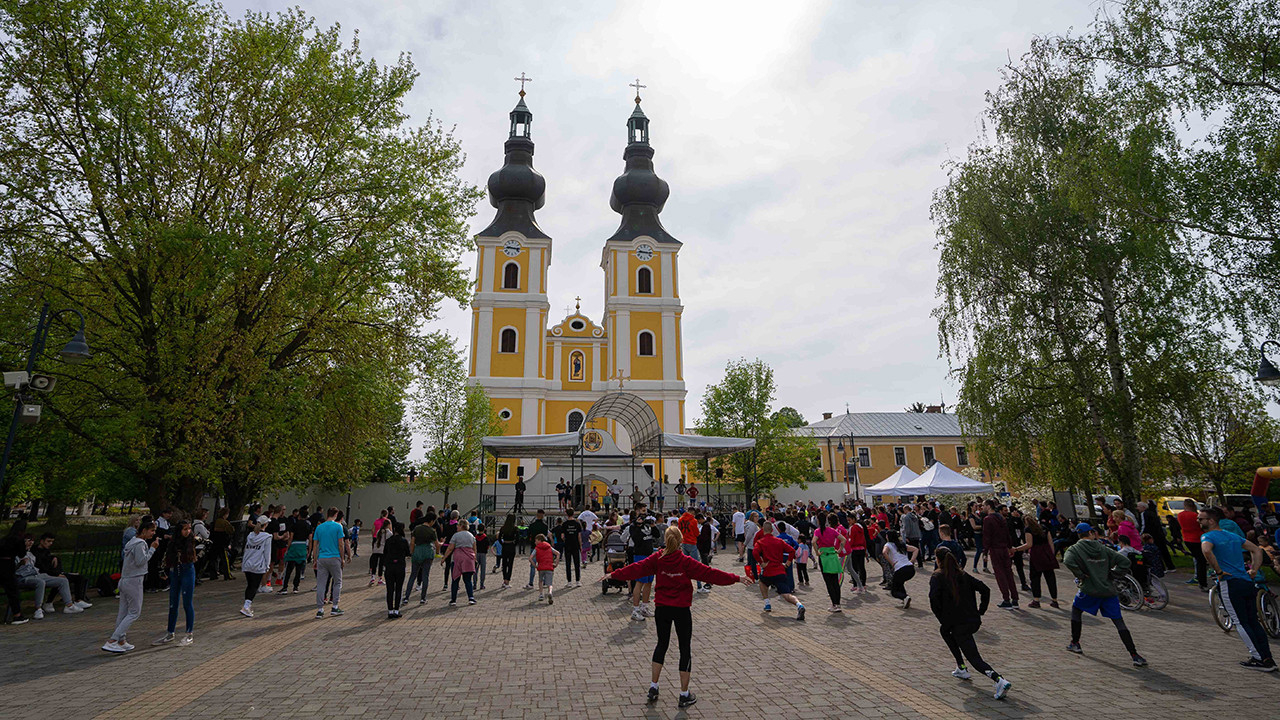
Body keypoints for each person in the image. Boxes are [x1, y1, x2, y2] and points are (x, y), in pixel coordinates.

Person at [605, 525, 753, 709]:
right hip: (681, 609)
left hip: (662, 608)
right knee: (684, 648)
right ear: (681, 540)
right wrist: (736, 578)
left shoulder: (658, 558)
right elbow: (710, 574)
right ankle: (684, 694)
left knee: (661, 645)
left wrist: (614, 574)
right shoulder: (685, 561)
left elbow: (637, 569)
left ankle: (653, 687)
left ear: (665, 540)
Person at [929, 546, 1011, 699]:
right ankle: (961, 666)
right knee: (944, 631)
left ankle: (999, 680)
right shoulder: (963, 574)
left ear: (938, 560)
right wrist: (981, 610)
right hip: (972, 621)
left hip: (958, 624)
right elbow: (985, 589)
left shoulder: (937, 577)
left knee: (974, 658)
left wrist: (943, 617)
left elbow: (934, 600)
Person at [1200, 508, 1275, 671]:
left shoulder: (1208, 536)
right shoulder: (1232, 536)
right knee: (1253, 621)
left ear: (1211, 521)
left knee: (1241, 622)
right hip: (1246, 582)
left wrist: (1218, 571)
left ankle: (1258, 658)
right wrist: (1254, 570)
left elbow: (1206, 550)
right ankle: (1267, 657)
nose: (1198, 521)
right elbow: (1256, 549)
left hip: (1229, 582)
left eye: (1201, 519)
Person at [1062, 523, 1147, 666]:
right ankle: (1135, 655)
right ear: (1091, 533)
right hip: (1108, 591)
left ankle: (1075, 643)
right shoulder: (1103, 548)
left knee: (1076, 610)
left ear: (1078, 535)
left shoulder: (1075, 549)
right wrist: (1114, 574)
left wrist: (1080, 575)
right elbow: (1124, 561)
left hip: (1089, 589)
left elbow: (1067, 561)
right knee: (1118, 621)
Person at [103, 520, 158, 653]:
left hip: (125, 579)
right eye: (152, 530)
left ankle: (121, 640)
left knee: (123, 612)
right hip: (134, 580)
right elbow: (141, 561)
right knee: (134, 612)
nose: (153, 533)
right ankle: (113, 640)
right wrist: (152, 549)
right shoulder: (140, 543)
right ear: (144, 530)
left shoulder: (131, 542)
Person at [153, 520, 197, 645]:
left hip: (187, 571)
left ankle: (189, 633)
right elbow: (168, 557)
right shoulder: (173, 542)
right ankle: (170, 632)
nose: (188, 531)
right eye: (185, 529)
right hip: (175, 572)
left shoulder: (191, 541)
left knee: (187, 603)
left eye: (189, 529)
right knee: (173, 604)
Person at [753, 522, 805, 621]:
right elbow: (792, 550)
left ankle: (767, 603)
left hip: (768, 571)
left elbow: (755, 552)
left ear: (763, 531)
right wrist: (788, 563)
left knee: (762, 582)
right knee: (786, 594)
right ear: (772, 530)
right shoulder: (779, 541)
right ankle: (799, 605)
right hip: (780, 570)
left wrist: (761, 563)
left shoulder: (760, 542)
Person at [310, 507, 349, 618]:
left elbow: (315, 545)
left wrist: (315, 558)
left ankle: (320, 609)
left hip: (322, 558)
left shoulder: (319, 527)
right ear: (336, 515)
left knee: (321, 584)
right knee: (337, 582)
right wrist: (342, 558)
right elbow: (341, 544)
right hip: (334, 557)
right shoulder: (338, 526)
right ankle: (335, 606)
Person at [1014, 516, 1059, 609]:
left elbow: (1029, 544)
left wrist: (1016, 549)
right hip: (1046, 552)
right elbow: (1051, 542)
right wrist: (1052, 554)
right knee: (1050, 577)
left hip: (1036, 554)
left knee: (1035, 577)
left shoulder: (1028, 529)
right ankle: (1054, 600)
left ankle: (1036, 600)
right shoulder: (1044, 527)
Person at [983, 501, 1018, 608]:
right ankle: (1015, 598)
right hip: (1004, 548)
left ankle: (1006, 599)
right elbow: (1007, 534)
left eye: (984, 506)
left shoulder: (988, 519)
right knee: (1008, 573)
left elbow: (987, 536)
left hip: (995, 549)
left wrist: (985, 552)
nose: (983, 507)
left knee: (1000, 574)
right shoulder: (1001, 518)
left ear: (988, 506)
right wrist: (1009, 547)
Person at [812, 512, 846, 612]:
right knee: (835, 581)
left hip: (824, 556)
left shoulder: (818, 531)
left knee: (828, 582)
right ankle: (838, 604)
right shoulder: (831, 530)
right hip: (833, 555)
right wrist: (839, 550)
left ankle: (834, 604)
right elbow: (843, 539)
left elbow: (814, 541)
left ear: (818, 521)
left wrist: (817, 552)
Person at [239, 516, 272, 618]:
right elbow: (267, 553)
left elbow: (246, 549)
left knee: (250, 585)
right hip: (258, 565)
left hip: (247, 564)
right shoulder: (267, 537)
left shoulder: (250, 536)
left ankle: (247, 605)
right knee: (254, 586)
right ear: (265, 525)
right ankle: (246, 606)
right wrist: (267, 565)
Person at [442, 521, 477, 606]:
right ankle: (471, 598)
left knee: (455, 579)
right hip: (468, 559)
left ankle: (453, 600)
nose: (457, 527)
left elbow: (450, 548)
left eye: (458, 525)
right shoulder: (471, 535)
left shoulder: (456, 535)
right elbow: (474, 548)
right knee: (468, 580)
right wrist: (474, 558)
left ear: (461, 526)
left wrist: (444, 558)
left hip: (457, 559)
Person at [882, 530, 918, 609]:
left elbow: (884, 552)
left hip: (900, 569)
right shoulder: (901, 544)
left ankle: (904, 597)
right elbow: (915, 549)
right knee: (900, 583)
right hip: (910, 568)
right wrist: (912, 561)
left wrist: (892, 563)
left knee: (894, 591)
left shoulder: (888, 544)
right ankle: (905, 598)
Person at [408, 513, 438, 602]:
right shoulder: (432, 531)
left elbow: (412, 542)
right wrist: (437, 551)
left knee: (413, 575)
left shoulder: (417, 528)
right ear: (431, 521)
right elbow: (437, 544)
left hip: (417, 551)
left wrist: (412, 552)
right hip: (427, 552)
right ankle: (423, 598)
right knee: (425, 576)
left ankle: (406, 597)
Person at [1178, 499, 1207, 590]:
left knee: (1198, 559)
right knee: (1201, 561)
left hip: (1187, 539)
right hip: (1198, 538)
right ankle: (1202, 581)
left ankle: (1198, 578)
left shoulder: (1180, 515)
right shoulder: (1195, 515)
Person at [383, 522, 410, 618]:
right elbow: (408, 553)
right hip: (400, 566)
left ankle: (390, 611)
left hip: (389, 566)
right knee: (399, 589)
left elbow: (385, 553)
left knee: (390, 589)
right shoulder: (404, 541)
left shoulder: (389, 541)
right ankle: (396, 610)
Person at [532, 533, 560, 604]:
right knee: (549, 583)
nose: (535, 542)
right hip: (549, 566)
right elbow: (558, 553)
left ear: (539, 540)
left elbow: (530, 558)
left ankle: (541, 594)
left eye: (536, 540)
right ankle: (550, 592)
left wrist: (535, 565)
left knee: (540, 581)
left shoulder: (537, 548)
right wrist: (556, 563)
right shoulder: (549, 547)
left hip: (541, 567)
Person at [208, 507, 235, 581]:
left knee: (213, 559)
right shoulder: (225, 523)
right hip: (222, 543)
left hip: (214, 543)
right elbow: (231, 531)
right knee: (225, 559)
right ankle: (227, 575)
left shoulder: (214, 522)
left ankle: (213, 575)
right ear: (225, 514)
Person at [498, 514, 519, 590]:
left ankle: (504, 579)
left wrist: (502, 543)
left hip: (505, 546)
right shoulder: (515, 528)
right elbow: (517, 538)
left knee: (504, 563)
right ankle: (507, 580)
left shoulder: (503, 528)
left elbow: (499, 538)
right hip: (511, 546)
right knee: (510, 564)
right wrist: (514, 544)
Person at [368, 519, 389, 586]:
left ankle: (372, 578)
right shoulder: (389, 532)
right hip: (382, 550)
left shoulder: (379, 531)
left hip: (376, 549)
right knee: (381, 565)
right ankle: (380, 579)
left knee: (374, 564)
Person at [475, 524, 490, 591]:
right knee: (483, 569)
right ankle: (482, 584)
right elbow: (487, 546)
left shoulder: (475, 537)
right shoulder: (485, 537)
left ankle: (474, 584)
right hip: (483, 554)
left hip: (476, 553)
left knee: (475, 569)